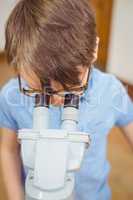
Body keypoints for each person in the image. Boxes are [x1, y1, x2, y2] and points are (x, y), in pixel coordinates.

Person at [0, 0, 133, 200]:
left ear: (94, 49)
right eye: (38, 90)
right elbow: (8, 150)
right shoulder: (12, 95)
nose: (55, 100)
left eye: (71, 87)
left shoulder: (111, 91)